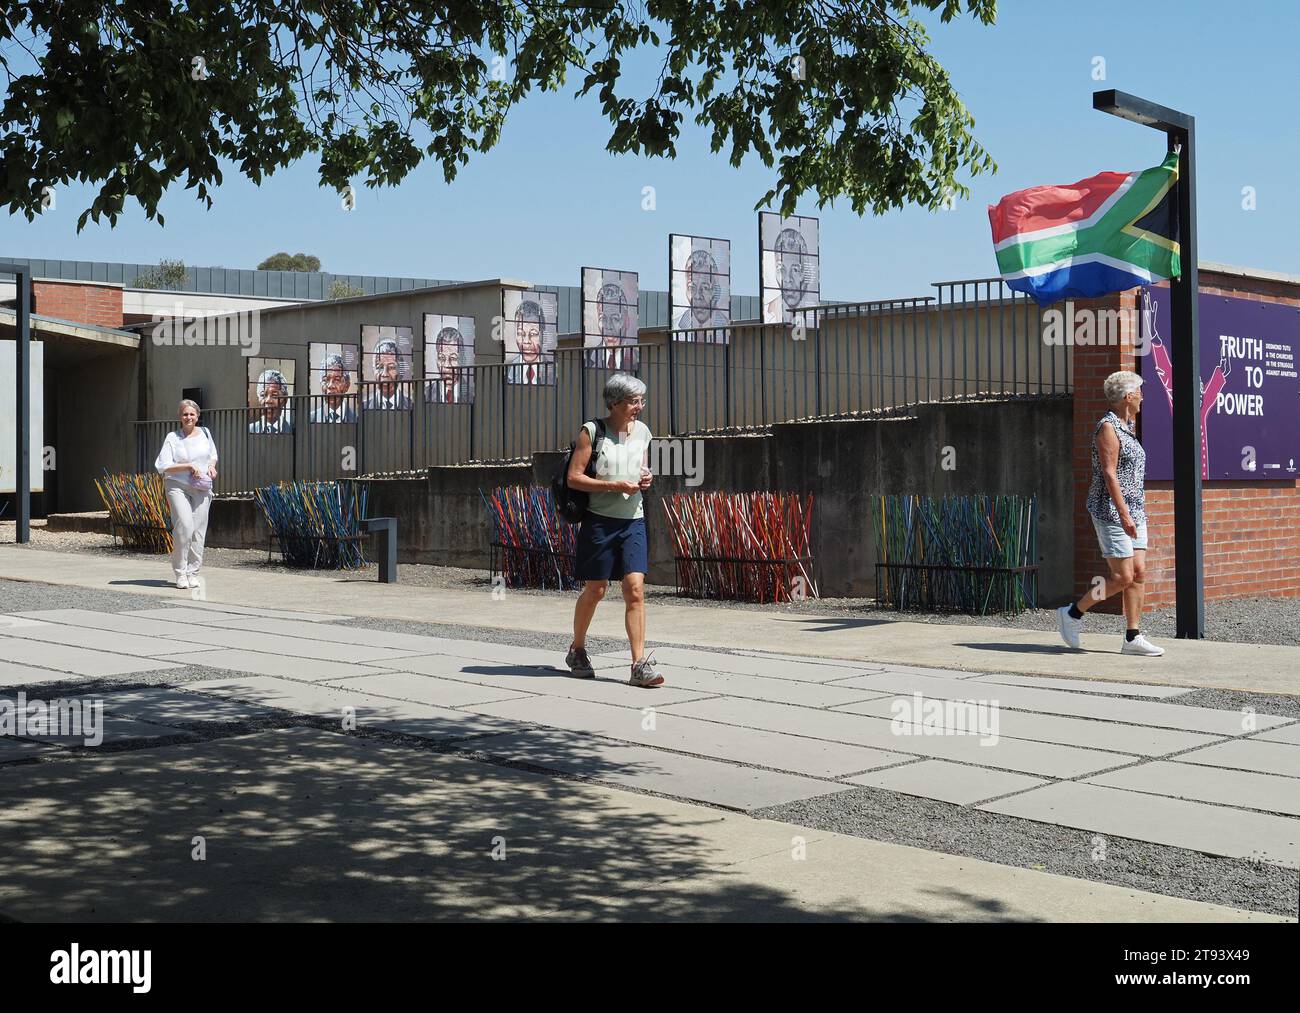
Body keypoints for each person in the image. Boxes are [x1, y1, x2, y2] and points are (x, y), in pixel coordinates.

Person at [1058, 370, 1165, 657]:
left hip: (1136, 511)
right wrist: (1124, 514)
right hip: (1111, 511)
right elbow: (1109, 474)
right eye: (1140, 392)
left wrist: (1134, 512)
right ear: (1129, 397)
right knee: (1122, 577)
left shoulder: (1127, 425)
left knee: (1139, 572)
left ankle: (1132, 636)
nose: (1143, 397)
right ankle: (1073, 612)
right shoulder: (1108, 427)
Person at [565, 373, 661, 688]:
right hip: (599, 521)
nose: (640, 407)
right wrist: (613, 485)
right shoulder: (592, 431)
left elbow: (642, 469)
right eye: (634, 401)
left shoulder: (644, 431)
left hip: (633, 519)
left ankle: (638, 665)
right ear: (615, 403)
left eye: (641, 400)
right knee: (597, 589)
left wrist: (645, 478)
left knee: (634, 589)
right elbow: (574, 478)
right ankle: (577, 649)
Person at [155, 399, 218, 589]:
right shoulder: (172, 438)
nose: (188, 417)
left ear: (197, 416)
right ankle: (180, 572)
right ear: (180, 417)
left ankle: (193, 572)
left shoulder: (206, 433)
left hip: (201, 486)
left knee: (198, 531)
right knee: (185, 527)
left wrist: (211, 467)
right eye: (185, 414)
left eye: (192, 414)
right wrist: (188, 466)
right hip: (177, 484)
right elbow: (162, 466)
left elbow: (212, 456)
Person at [675, 248, 729, 338]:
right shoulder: (676, 326)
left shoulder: (728, 329)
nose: (697, 296)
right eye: (692, 287)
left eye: (705, 288)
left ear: (715, 290)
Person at [586, 283, 639, 371]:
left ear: (627, 321)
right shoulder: (587, 357)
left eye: (615, 318)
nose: (609, 326)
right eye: (603, 318)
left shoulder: (637, 358)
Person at [506, 299, 555, 384]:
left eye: (533, 334)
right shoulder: (507, 369)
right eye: (521, 333)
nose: (526, 341)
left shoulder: (553, 370)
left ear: (543, 334)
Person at [425, 327, 475, 403]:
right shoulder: (426, 394)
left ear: (462, 360)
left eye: (453, 358)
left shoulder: (473, 395)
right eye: (442, 358)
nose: (446, 367)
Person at [363, 339, 414, 409]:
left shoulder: (412, 407)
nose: (385, 374)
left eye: (391, 367)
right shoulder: (363, 407)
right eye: (379, 367)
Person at [310, 354, 357, 423]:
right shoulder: (311, 418)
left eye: (337, 380)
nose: (330, 386)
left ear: (347, 386)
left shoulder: (357, 419)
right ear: (320, 384)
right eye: (325, 380)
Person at [248, 369, 294, 433]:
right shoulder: (249, 430)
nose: (268, 400)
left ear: (285, 400)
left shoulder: (293, 430)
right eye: (263, 395)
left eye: (274, 395)